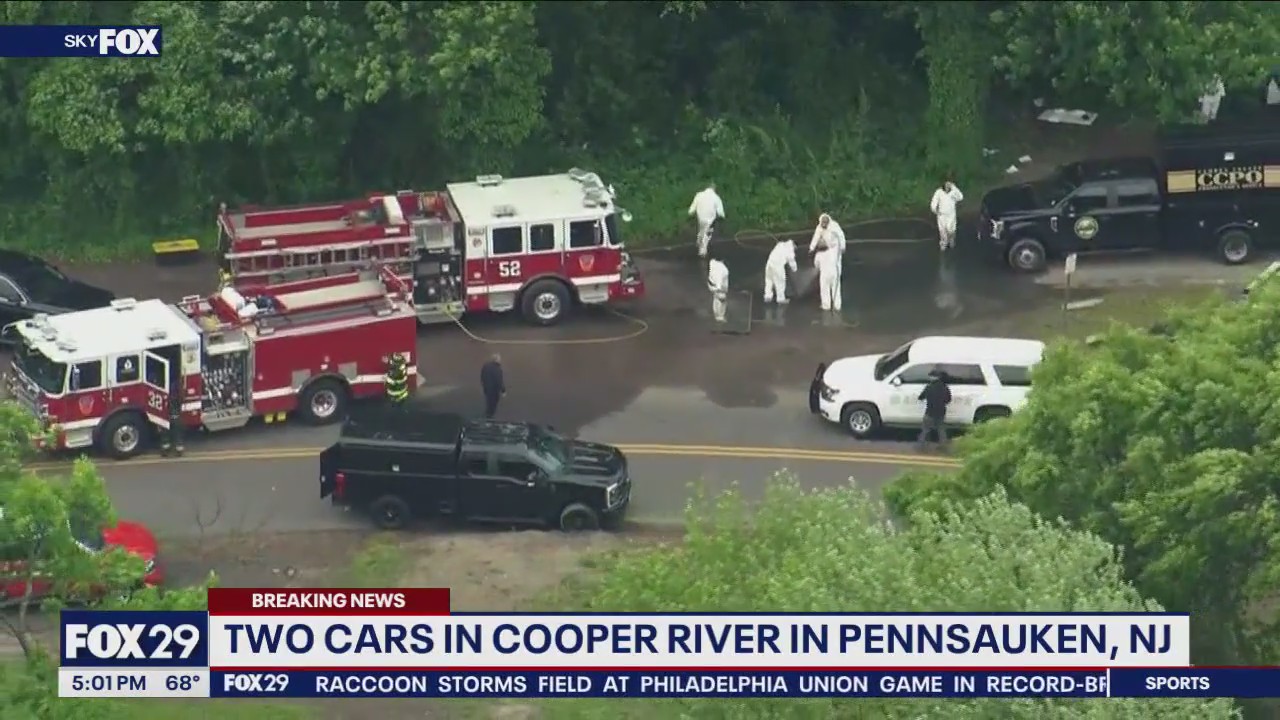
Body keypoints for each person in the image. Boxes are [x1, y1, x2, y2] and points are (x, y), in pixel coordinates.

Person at [808, 213, 846, 312]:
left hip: (833, 249)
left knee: (825, 287)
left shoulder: (834, 227)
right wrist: (811, 247)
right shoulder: (819, 228)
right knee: (836, 287)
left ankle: (827, 306)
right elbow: (816, 237)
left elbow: (841, 236)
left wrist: (842, 246)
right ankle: (837, 306)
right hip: (834, 270)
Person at [917, 368, 952, 449]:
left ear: (933, 377)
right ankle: (943, 446)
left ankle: (921, 445)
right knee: (941, 429)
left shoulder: (929, 387)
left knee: (925, 429)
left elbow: (920, 397)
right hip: (941, 412)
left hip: (930, 411)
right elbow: (948, 399)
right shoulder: (945, 387)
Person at [687, 183, 725, 258]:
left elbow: (693, 206)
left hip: (701, 217)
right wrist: (722, 216)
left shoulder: (699, 195)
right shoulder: (716, 197)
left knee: (702, 229)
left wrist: (690, 212)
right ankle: (702, 251)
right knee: (707, 234)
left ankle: (699, 240)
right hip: (710, 219)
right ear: (714, 189)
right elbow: (720, 211)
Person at [929, 177, 964, 251]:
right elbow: (934, 201)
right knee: (942, 231)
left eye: (949, 184)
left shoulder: (954, 192)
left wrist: (954, 188)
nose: (948, 185)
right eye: (946, 183)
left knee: (951, 230)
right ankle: (943, 244)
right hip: (941, 215)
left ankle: (951, 241)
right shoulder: (939, 192)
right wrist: (934, 209)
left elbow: (960, 197)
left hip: (951, 215)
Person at [763, 237, 797, 304]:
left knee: (769, 280)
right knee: (780, 282)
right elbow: (791, 260)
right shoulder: (790, 248)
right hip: (778, 265)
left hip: (769, 263)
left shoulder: (780, 244)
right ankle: (781, 299)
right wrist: (794, 269)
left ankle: (768, 296)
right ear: (794, 244)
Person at [160, 387, 184, 457]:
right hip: (176, 418)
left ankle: (166, 450)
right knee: (177, 435)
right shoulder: (178, 399)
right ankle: (179, 450)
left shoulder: (166, 400)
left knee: (166, 435)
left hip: (168, 419)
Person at [706, 251, 730, 323]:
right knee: (721, 300)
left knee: (716, 299)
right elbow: (719, 280)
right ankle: (720, 317)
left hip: (711, 284)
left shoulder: (712, 262)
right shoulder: (723, 269)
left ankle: (716, 315)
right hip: (719, 287)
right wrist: (719, 289)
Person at [480, 353, 506, 418]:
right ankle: (490, 415)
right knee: (494, 403)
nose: (500, 360)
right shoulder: (498, 369)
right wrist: (503, 391)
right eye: (499, 359)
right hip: (494, 390)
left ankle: (488, 413)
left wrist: (483, 384)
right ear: (496, 360)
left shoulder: (486, 366)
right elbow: (499, 381)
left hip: (486, 388)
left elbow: (482, 376)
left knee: (488, 401)